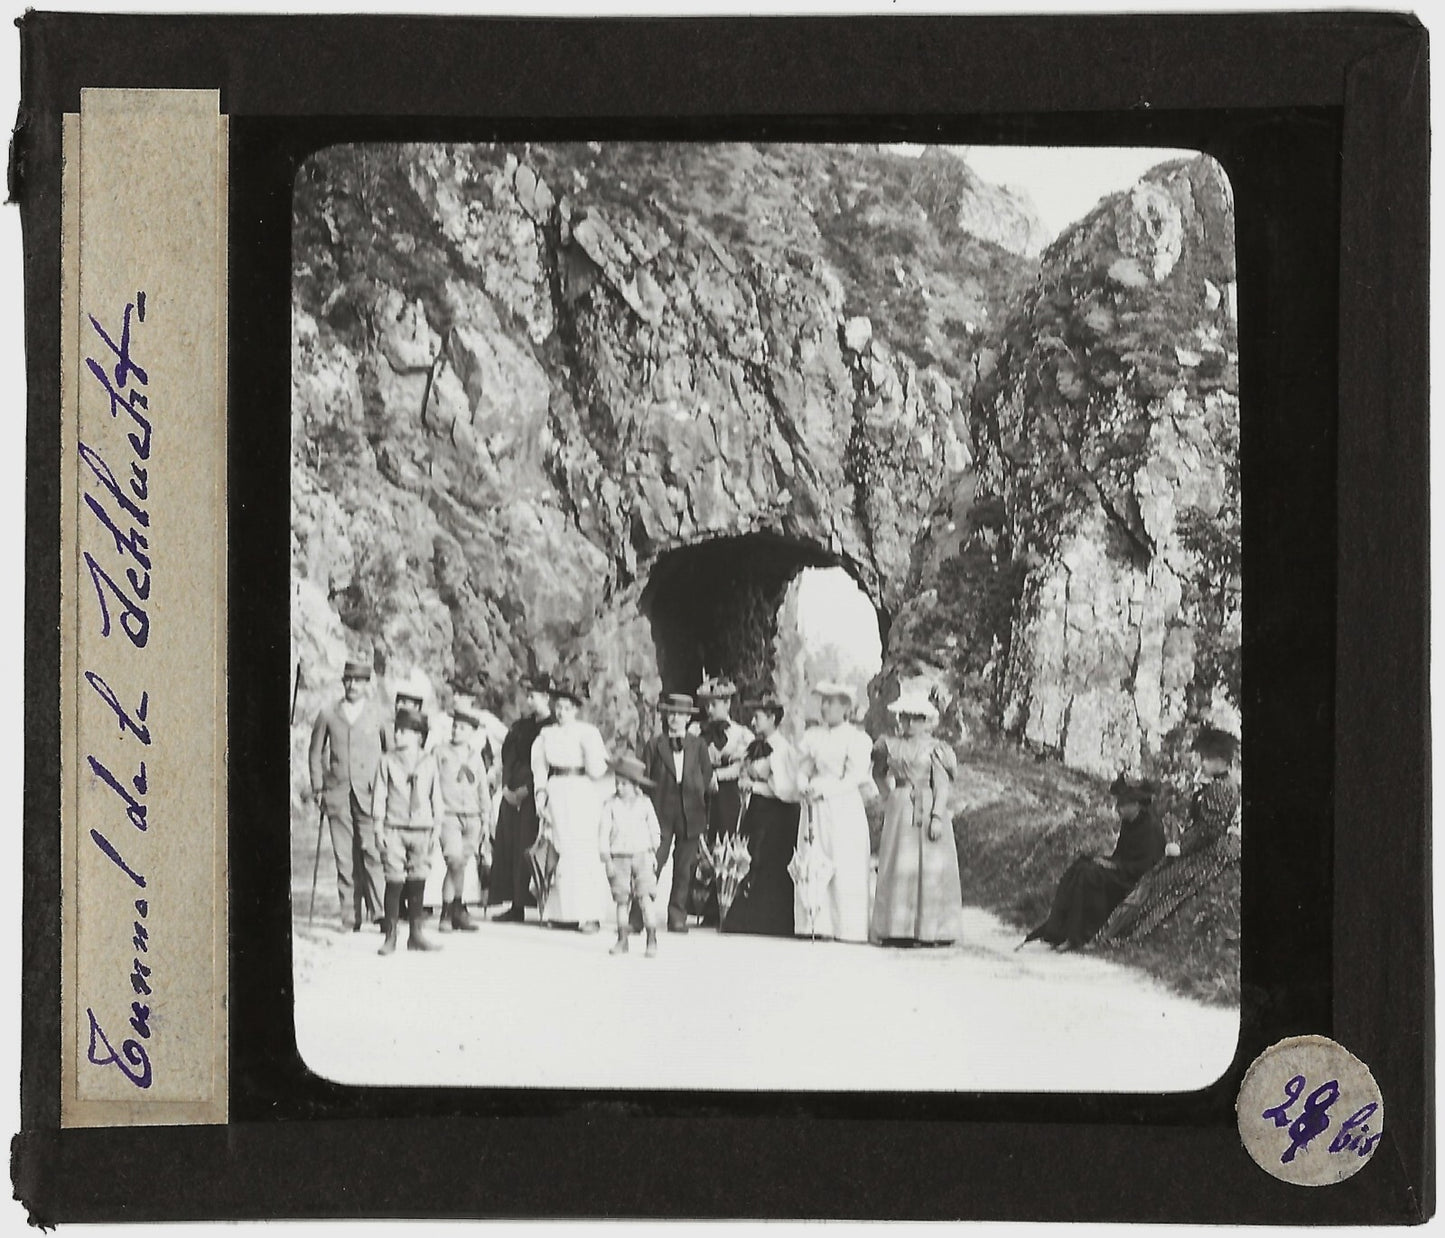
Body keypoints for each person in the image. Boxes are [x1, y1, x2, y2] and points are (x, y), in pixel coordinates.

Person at [1097, 727, 1241, 945]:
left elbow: (1208, 830)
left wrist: (1181, 848)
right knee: (1153, 879)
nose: (1202, 763)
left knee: (1164, 886)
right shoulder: (1220, 785)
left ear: (1221, 760)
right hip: (1202, 845)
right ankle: (1114, 931)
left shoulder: (1222, 788)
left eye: (1207, 758)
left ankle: (1128, 935)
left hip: (1206, 852)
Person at [1021, 773, 1166, 950]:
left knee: (1090, 875)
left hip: (1135, 882)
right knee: (1081, 865)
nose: (1117, 808)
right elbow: (1121, 854)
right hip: (1122, 872)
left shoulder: (1151, 827)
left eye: (1122, 804)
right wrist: (1107, 862)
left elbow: (1146, 867)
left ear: (1136, 804)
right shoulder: (1129, 822)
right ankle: (1059, 930)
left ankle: (1081, 936)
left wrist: (1113, 866)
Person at [870, 690, 966, 946]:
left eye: (916, 718)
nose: (909, 723)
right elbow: (878, 772)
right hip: (901, 808)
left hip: (928, 805)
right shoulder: (890, 745)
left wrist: (936, 816)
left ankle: (931, 930)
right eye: (905, 717)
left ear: (926, 721)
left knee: (928, 865)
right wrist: (888, 795)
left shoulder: (936, 749)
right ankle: (897, 928)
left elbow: (942, 786)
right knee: (899, 862)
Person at [307, 659, 391, 933]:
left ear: (368, 685)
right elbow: (315, 752)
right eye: (349, 680)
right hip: (338, 793)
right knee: (344, 858)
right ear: (343, 682)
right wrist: (318, 787)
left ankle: (380, 913)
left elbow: (390, 756)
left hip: (370, 794)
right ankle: (350, 916)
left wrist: (388, 792)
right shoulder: (328, 714)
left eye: (359, 681)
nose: (353, 685)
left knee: (372, 853)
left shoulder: (379, 715)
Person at [793, 682, 875, 943]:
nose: (825, 707)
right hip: (814, 808)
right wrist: (803, 785)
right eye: (823, 701)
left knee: (843, 861)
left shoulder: (856, 739)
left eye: (831, 702)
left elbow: (854, 778)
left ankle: (847, 926)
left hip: (843, 807)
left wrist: (825, 791)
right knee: (814, 858)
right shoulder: (814, 736)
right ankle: (815, 923)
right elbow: (804, 768)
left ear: (846, 707)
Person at [531, 680, 612, 931]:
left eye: (567, 708)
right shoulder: (546, 735)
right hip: (556, 790)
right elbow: (540, 768)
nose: (561, 712)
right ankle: (558, 913)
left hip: (580, 792)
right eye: (558, 707)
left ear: (576, 710)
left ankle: (589, 915)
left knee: (581, 851)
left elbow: (597, 768)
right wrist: (540, 794)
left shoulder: (587, 733)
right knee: (557, 848)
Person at [720, 699, 801, 937]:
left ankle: (771, 920)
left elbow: (785, 789)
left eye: (758, 717)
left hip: (777, 814)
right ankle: (747, 917)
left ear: (773, 719)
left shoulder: (783, 750)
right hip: (757, 810)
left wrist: (754, 787)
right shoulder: (756, 745)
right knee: (750, 857)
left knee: (770, 861)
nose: (753, 722)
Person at [370, 707, 445, 955]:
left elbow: (436, 796)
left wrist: (437, 827)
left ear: (418, 736)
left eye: (404, 731)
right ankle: (391, 935)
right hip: (394, 827)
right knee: (393, 879)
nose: (398, 735)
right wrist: (378, 825)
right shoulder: (387, 760)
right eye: (397, 730)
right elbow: (380, 795)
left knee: (418, 878)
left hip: (422, 828)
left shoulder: (429, 761)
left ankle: (416, 934)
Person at [643, 693, 714, 933]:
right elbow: (645, 778)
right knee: (653, 863)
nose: (675, 719)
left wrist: (696, 794)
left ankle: (677, 915)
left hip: (690, 813)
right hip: (661, 810)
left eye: (680, 715)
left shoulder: (698, 745)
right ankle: (637, 914)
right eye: (671, 714)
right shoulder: (655, 744)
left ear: (687, 718)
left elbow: (705, 775)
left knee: (685, 868)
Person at [487, 675, 553, 922]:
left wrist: (528, 790)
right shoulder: (520, 727)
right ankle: (515, 905)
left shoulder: (552, 729)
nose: (528, 700)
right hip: (511, 793)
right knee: (509, 846)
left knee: (530, 846)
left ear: (546, 698)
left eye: (533, 696)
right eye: (527, 695)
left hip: (534, 795)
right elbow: (508, 758)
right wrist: (506, 789)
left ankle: (539, 904)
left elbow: (548, 766)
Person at [433, 695, 492, 933]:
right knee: (454, 860)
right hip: (449, 814)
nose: (457, 731)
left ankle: (458, 909)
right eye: (455, 726)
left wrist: (486, 818)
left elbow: (482, 788)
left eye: (463, 728)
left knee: (463, 864)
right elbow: (433, 783)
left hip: (473, 817)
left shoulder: (474, 755)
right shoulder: (440, 752)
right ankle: (447, 912)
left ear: (471, 732)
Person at [598, 755, 663, 957]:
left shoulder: (645, 804)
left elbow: (655, 830)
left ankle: (651, 938)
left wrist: (653, 850)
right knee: (621, 900)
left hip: (642, 855)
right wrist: (607, 859)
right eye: (617, 783)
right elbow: (603, 834)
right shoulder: (610, 805)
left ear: (635, 785)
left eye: (624, 784)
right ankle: (622, 939)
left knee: (645, 898)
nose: (619, 788)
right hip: (619, 857)